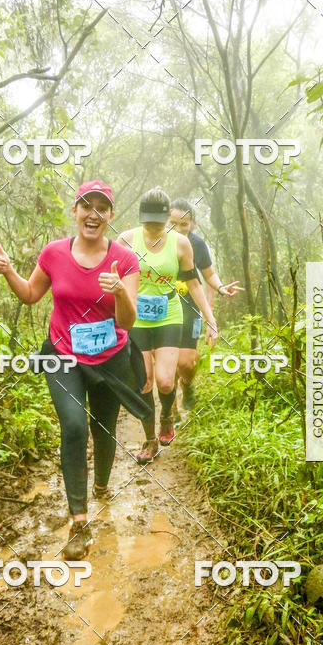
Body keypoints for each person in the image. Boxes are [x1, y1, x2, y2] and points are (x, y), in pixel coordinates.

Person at [0, 180, 149, 561]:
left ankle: (103, 484)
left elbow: (128, 321)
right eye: (86, 206)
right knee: (74, 426)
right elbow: (30, 295)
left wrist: (119, 292)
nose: (93, 214)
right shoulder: (54, 253)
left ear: (110, 215)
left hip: (110, 358)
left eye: (101, 208)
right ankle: (79, 521)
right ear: (74, 211)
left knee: (103, 429)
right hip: (63, 356)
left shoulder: (125, 260)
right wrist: (8, 271)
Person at [117, 187, 218, 464]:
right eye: (148, 222)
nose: (153, 228)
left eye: (158, 223)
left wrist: (210, 319)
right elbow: (112, 278)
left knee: (164, 380)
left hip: (169, 316)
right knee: (144, 383)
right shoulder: (126, 240)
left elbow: (194, 283)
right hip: (137, 318)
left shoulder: (181, 244)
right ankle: (149, 439)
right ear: (141, 218)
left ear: (166, 219)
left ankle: (167, 416)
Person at [168, 198, 242, 414]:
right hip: (164, 310)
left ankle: (187, 384)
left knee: (186, 363)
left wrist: (221, 288)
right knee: (168, 363)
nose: (178, 229)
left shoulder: (197, 245)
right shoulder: (158, 242)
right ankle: (169, 412)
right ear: (165, 221)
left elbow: (209, 274)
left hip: (190, 309)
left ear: (192, 224)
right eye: (173, 223)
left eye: (184, 224)